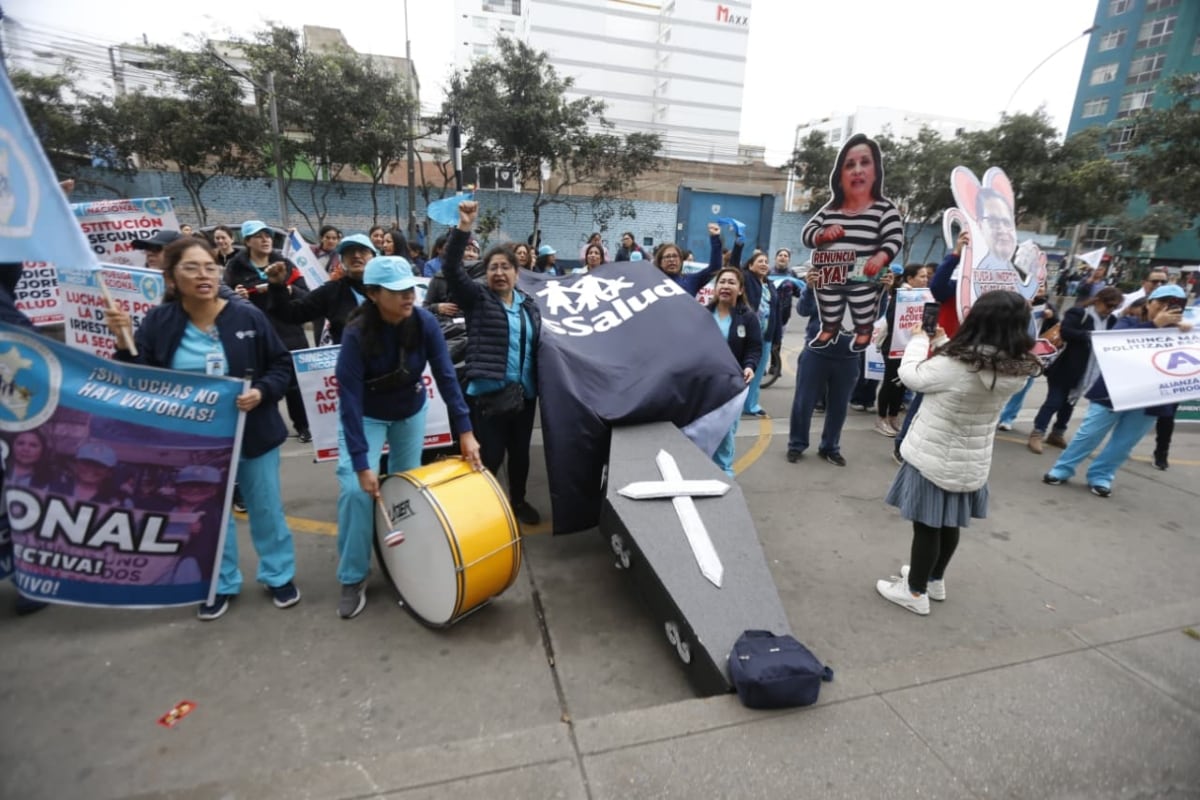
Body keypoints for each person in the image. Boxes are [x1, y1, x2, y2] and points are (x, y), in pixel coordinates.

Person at [105, 237, 301, 621]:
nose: (203, 275)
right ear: (172, 279)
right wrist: (123, 341)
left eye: (210, 267)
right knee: (205, 514)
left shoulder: (247, 317)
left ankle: (278, 574)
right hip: (192, 441)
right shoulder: (158, 322)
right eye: (191, 268)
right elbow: (137, 377)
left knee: (266, 510)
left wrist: (262, 392)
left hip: (254, 433)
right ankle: (219, 582)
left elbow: (281, 365)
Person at [875, 291, 1042, 615]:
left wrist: (919, 341)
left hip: (933, 456)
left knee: (927, 525)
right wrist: (942, 341)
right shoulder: (1015, 367)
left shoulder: (957, 363)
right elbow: (969, 369)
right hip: (970, 460)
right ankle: (933, 580)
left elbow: (912, 377)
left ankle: (914, 593)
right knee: (949, 522)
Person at [333, 255, 480, 620]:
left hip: (409, 412)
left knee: (404, 490)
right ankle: (353, 576)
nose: (406, 297)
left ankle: (401, 560)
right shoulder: (355, 335)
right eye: (396, 292)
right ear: (372, 294)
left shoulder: (425, 322)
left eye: (408, 290)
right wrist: (362, 463)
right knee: (356, 491)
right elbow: (348, 401)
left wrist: (466, 431)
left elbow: (446, 376)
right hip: (366, 414)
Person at [445, 201, 543, 526]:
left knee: (520, 456)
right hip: (488, 395)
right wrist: (464, 228)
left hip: (524, 396)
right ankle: (485, 511)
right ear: (485, 274)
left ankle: (518, 502)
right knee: (489, 456)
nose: (499, 273)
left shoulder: (530, 307)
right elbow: (452, 270)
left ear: (518, 273)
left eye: (506, 267)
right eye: (493, 268)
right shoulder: (477, 300)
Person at [1043, 286, 1192, 497]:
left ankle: (1101, 476)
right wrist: (1154, 326)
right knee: (1089, 434)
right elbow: (1114, 343)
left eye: (1174, 305)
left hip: (1152, 398)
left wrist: (1187, 333)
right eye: (1161, 303)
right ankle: (1062, 469)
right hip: (1113, 392)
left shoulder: (1186, 331)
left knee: (1124, 443)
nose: (1164, 309)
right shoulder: (1129, 323)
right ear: (1148, 303)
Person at [801, 133, 903, 351]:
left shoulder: (885, 209)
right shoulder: (829, 211)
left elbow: (894, 237)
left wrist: (881, 256)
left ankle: (863, 332)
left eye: (865, 162)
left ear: (876, 172)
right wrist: (822, 234)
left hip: (864, 275)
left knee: (863, 304)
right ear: (840, 176)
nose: (857, 169)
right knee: (828, 302)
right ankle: (828, 328)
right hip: (829, 275)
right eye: (849, 165)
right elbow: (808, 233)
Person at [786, 267, 894, 466]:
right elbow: (803, 310)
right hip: (816, 354)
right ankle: (797, 444)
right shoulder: (824, 275)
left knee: (839, 406)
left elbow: (875, 316)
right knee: (804, 403)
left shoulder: (865, 279)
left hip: (848, 357)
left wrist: (884, 291)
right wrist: (810, 288)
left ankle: (830, 447)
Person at [224, 220, 312, 442]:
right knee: (261, 382)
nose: (265, 240)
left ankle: (303, 425)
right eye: (258, 236)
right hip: (255, 332)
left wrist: (288, 289)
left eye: (268, 235)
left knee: (295, 385)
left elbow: (305, 294)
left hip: (289, 331)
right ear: (247, 241)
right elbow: (224, 297)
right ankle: (264, 430)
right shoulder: (235, 267)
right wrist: (238, 295)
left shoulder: (285, 263)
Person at [1027, 287, 1122, 454]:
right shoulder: (1079, 313)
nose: (1110, 310)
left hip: (1088, 370)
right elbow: (1066, 331)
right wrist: (1089, 335)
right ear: (1099, 300)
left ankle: (1057, 433)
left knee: (1069, 404)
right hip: (1066, 366)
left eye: (1114, 307)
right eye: (1109, 305)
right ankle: (1037, 433)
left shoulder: (1111, 320)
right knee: (1054, 401)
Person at [265, 233, 378, 346]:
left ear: (374, 256)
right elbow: (292, 313)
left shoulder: (387, 288)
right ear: (342, 260)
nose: (356, 255)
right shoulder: (332, 291)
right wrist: (278, 286)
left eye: (363, 251)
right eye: (349, 252)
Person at [707, 267, 761, 476]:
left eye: (731, 283)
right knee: (705, 428)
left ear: (740, 290)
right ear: (715, 287)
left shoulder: (748, 317)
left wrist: (749, 366)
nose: (726, 286)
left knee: (726, 431)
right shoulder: (703, 313)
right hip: (706, 383)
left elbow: (754, 348)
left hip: (733, 385)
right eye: (722, 282)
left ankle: (724, 472)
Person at [874, 263, 930, 436]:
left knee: (902, 383)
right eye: (921, 276)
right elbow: (891, 319)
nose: (925, 279)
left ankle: (893, 416)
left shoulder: (923, 296)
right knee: (890, 383)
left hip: (911, 347)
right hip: (894, 345)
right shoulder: (901, 295)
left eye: (926, 276)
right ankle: (882, 418)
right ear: (909, 278)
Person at [997, 284, 1058, 431]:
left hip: (1033, 352)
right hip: (1011, 349)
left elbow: (1056, 324)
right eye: (1037, 286)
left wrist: (1052, 316)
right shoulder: (1014, 303)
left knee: (1023, 386)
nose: (1040, 289)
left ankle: (1008, 417)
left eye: (1043, 286)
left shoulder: (1047, 306)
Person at [741, 250, 781, 418]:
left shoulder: (770, 285)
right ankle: (733, 403)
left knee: (757, 374)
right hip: (745, 336)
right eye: (760, 261)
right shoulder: (746, 279)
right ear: (750, 265)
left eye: (766, 261)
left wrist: (777, 337)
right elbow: (735, 266)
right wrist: (739, 244)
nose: (764, 264)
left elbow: (776, 312)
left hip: (765, 337)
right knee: (740, 370)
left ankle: (751, 406)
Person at [653, 223, 726, 296]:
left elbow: (715, 268)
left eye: (675, 256)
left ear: (681, 261)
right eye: (667, 257)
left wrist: (715, 238)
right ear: (660, 262)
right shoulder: (652, 283)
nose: (672, 259)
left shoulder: (691, 280)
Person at [50, 441, 130, 507]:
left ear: (109, 472)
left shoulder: (117, 501)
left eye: (99, 465)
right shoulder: (53, 487)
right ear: (76, 464)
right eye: (86, 463)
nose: (91, 469)